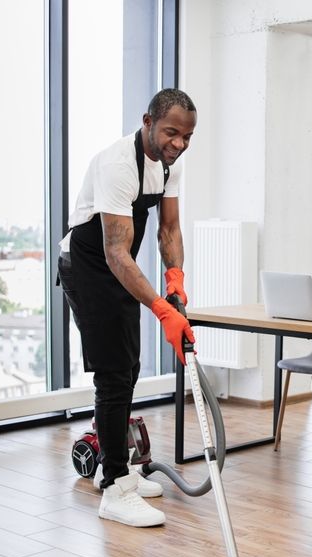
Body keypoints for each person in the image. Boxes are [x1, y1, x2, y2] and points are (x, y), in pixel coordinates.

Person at [58, 88, 197, 526]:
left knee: (129, 368)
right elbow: (116, 251)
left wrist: (176, 278)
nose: (178, 143)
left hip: (119, 266)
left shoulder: (169, 164)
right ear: (148, 121)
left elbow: (169, 229)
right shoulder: (117, 164)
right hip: (87, 265)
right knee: (113, 372)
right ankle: (115, 487)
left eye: (187, 136)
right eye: (172, 133)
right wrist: (161, 309)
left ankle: (118, 471)